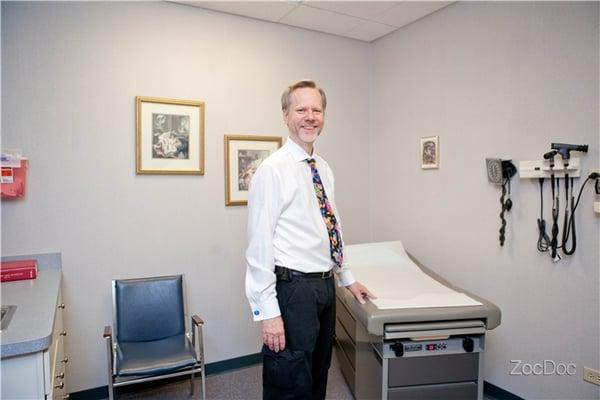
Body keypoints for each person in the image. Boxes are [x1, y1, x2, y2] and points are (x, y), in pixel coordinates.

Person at [245, 80, 375, 400]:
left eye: (316, 109)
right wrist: (268, 312)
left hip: (323, 287)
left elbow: (330, 227)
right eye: (301, 109)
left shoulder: (323, 168)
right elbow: (259, 246)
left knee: (318, 373)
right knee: (289, 379)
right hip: (292, 290)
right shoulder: (272, 170)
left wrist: (347, 278)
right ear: (286, 115)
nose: (310, 116)